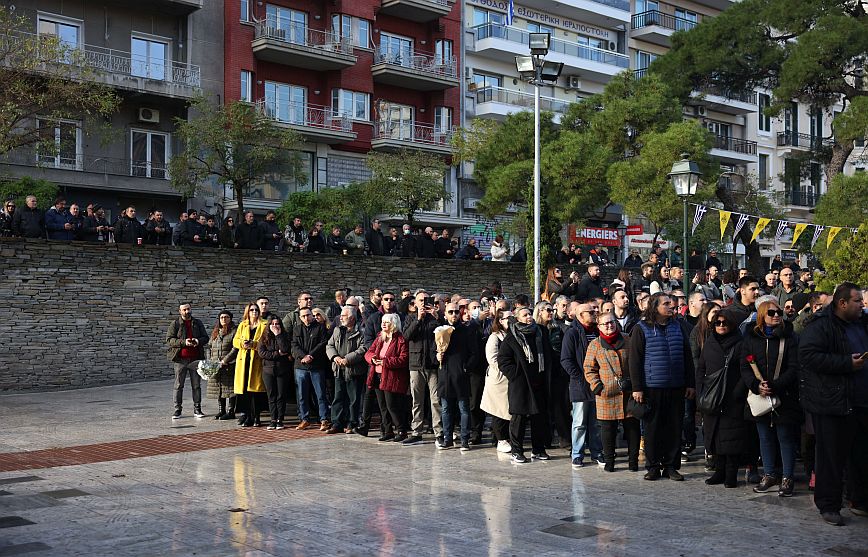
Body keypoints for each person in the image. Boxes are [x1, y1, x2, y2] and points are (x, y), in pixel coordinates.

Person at [799, 282, 868, 526]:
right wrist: (845, 364)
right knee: (831, 457)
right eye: (858, 301)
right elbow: (808, 356)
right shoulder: (821, 326)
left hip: (860, 401)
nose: (862, 304)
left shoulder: (862, 322)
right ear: (842, 304)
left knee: (861, 454)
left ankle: (859, 500)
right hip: (832, 403)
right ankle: (828, 505)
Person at [629, 293, 696, 481]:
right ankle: (652, 466)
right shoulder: (641, 329)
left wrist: (690, 383)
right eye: (666, 304)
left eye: (671, 303)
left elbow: (687, 356)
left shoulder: (678, 327)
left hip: (676, 385)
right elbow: (634, 361)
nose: (671, 306)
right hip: (652, 386)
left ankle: (671, 466)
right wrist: (637, 387)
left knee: (674, 427)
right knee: (652, 428)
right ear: (655, 307)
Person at [740, 300, 802, 497]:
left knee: (785, 437)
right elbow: (744, 365)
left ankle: (787, 477)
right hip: (761, 395)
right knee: (764, 437)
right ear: (761, 316)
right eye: (771, 313)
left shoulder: (789, 337)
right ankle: (769, 474)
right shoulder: (751, 338)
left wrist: (776, 385)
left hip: (785, 395)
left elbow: (794, 367)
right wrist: (757, 386)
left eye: (779, 312)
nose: (776, 315)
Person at [696, 311, 749, 488]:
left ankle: (731, 474)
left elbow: (745, 370)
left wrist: (737, 392)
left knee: (732, 437)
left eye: (724, 323)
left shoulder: (740, 343)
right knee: (715, 435)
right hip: (712, 397)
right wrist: (701, 391)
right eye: (717, 323)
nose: (721, 325)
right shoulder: (709, 343)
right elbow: (701, 368)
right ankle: (719, 471)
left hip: (732, 398)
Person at [584, 311, 640, 472]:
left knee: (632, 429)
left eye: (612, 322)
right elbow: (589, 368)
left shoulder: (628, 339)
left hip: (629, 393)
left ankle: (633, 462)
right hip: (606, 394)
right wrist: (598, 387)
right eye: (605, 323)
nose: (609, 325)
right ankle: (609, 461)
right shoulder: (595, 344)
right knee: (608, 431)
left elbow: (637, 361)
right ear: (599, 326)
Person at [498, 306, 552, 463]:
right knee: (519, 418)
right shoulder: (512, 337)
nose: (529, 317)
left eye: (530, 314)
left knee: (539, 417)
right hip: (521, 383)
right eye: (525, 315)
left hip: (539, 380)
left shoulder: (541, 331)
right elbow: (503, 360)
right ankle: (517, 451)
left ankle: (538, 449)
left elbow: (548, 353)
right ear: (518, 318)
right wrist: (515, 374)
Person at [561, 301, 603, 468]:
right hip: (580, 385)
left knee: (596, 422)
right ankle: (577, 454)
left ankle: (597, 452)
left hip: (598, 384)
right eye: (590, 312)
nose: (594, 314)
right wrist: (582, 378)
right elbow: (566, 360)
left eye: (594, 311)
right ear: (580, 316)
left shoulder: (598, 332)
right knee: (579, 422)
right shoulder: (572, 333)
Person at [402, 290, 444, 445]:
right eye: (421, 300)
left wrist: (438, 318)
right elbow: (406, 337)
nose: (424, 302)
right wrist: (418, 320)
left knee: (435, 400)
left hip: (432, 364)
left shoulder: (436, 318)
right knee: (417, 401)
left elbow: (444, 336)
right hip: (416, 364)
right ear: (415, 303)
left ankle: (439, 432)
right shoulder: (410, 318)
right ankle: (416, 431)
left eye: (426, 300)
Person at [364, 313, 411, 442]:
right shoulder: (380, 337)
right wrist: (372, 358)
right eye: (383, 322)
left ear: (394, 324)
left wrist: (385, 362)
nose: (383, 324)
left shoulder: (400, 339)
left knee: (392, 405)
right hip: (377, 374)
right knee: (382, 405)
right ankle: (387, 430)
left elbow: (403, 359)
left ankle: (401, 430)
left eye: (387, 322)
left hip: (391, 376)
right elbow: (369, 352)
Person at [437, 302, 477, 451]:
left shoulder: (466, 331)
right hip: (445, 374)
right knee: (446, 408)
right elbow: (432, 352)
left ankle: (465, 439)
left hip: (461, 374)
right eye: (451, 312)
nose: (454, 314)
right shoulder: (440, 330)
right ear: (445, 314)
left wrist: (466, 367)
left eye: (456, 312)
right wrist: (437, 356)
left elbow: (474, 353)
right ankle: (447, 438)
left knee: (464, 408)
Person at [326, 306, 368, 434]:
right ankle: (336, 423)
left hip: (354, 370)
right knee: (338, 397)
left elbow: (363, 349)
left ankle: (352, 423)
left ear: (352, 318)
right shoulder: (338, 330)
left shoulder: (362, 331)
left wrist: (347, 359)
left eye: (344, 316)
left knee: (353, 399)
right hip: (339, 369)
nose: (341, 318)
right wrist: (335, 357)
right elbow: (330, 345)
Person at [165, 303, 209, 419]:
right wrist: (184, 342)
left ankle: (197, 409)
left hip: (196, 358)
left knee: (196, 385)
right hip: (180, 359)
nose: (187, 311)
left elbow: (206, 338)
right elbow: (169, 340)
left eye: (188, 309)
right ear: (180, 311)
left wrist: (197, 341)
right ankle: (177, 410)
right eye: (184, 310)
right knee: (179, 385)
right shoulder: (175, 324)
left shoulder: (198, 323)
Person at [291, 306, 331, 431]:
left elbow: (322, 344)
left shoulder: (320, 328)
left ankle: (324, 419)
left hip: (316, 366)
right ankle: (304, 419)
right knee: (302, 395)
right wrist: (304, 356)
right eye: (303, 316)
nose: (306, 318)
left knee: (320, 394)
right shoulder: (297, 329)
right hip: (301, 367)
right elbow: (294, 345)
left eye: (308, 315)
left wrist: (310, 355)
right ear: (300, 318)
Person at [481, 309, 513, 454]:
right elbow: (492, 358)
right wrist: (506, 369)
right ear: (500, 321)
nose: (511, 320)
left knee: (508, 410)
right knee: (498, 411)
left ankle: (508, 438)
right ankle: (501, 439)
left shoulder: (512, 335)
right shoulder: (494, 337)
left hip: (511, 379)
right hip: (498, 379)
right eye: (507, 318)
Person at [233, 303, 267, 427]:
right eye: (251, 310)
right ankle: (247, 415)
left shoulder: (264, 324)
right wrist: (243, 343)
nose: (254, 312)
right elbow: (235, 341)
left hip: (257, 361)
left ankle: (256, 416)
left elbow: (267, 341)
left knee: (256, 391)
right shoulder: (243, 325)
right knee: (244, 391)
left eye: (256, 310)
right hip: (244, 361)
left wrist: (253, 344)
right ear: (247, 312)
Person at [257, 317, 292, 430]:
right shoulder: (264, 337)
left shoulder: (284, 335)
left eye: (277, 324)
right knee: (271, 395)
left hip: (283, 370)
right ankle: (273, 419)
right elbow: (262, 353)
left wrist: (278, 335)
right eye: (272, 324)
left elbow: (285, 349)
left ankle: (280, 419)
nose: (275, 326)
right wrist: (277, 354)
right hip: (268, 370)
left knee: (281, 395)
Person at [207, 310, 238, 421]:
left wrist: (226, 360)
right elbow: (209, 346)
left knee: (230, 389)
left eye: (226, 317)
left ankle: (231, 411)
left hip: (229, 365)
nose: (224, 319)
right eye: (222, 317)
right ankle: (222, 410)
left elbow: (235, 348)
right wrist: (210, 361)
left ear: (230, 318)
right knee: (219, 388)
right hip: (216, 365)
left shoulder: (234, 331)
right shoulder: (216, 332)